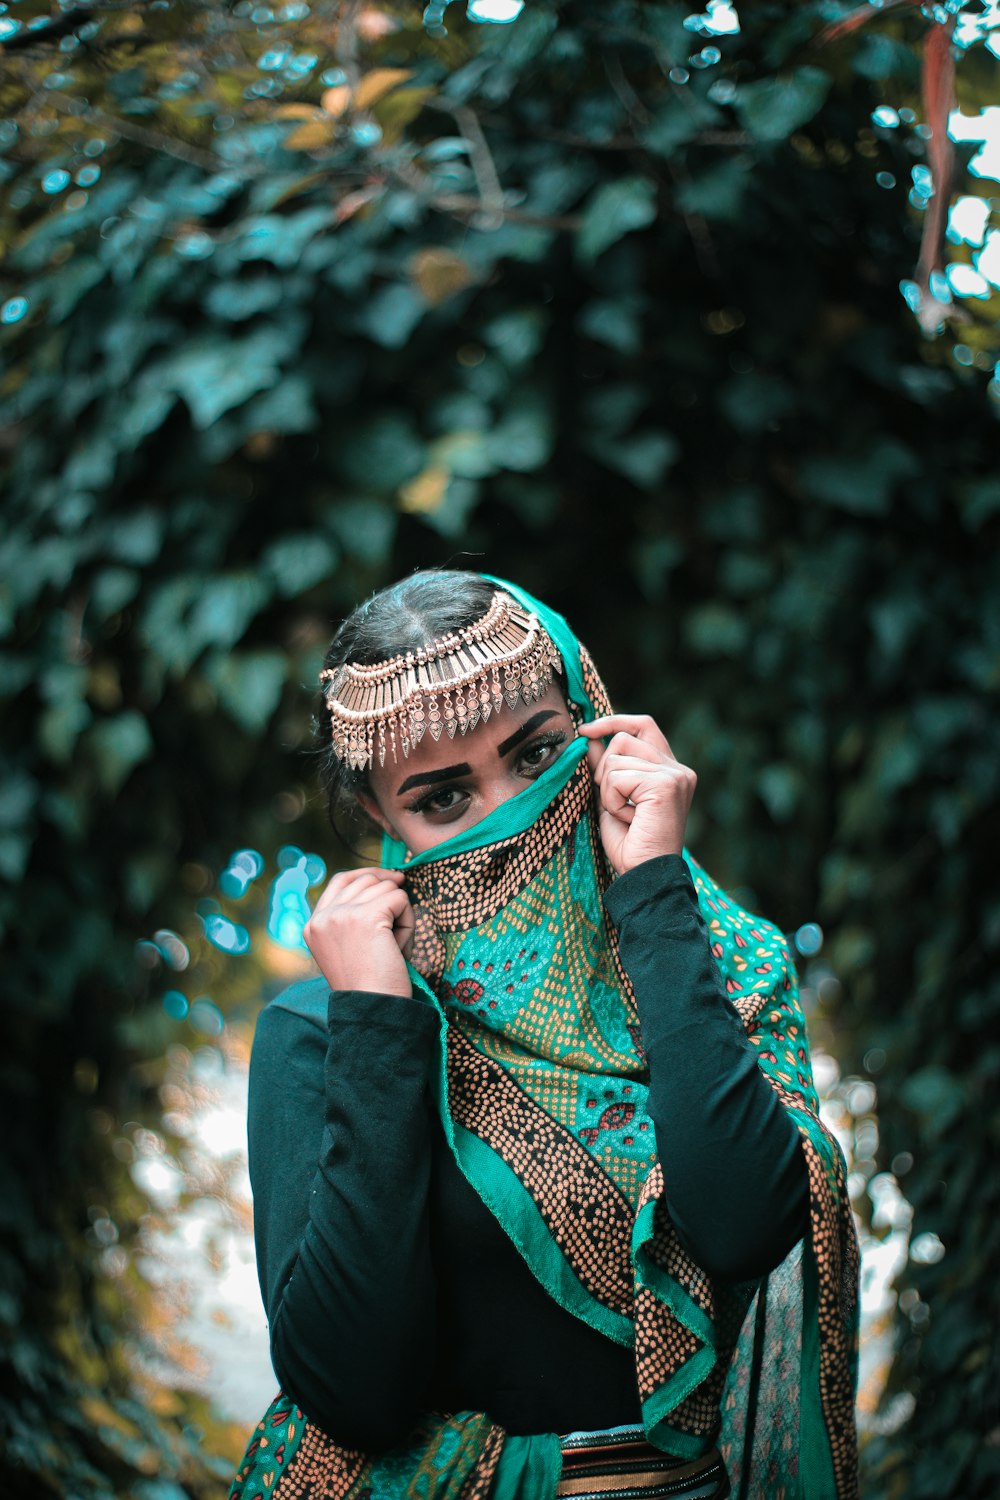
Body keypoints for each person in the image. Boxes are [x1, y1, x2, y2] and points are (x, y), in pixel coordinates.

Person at [230, 571, 859, 1500]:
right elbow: (351, 1392)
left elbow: (742, 1227)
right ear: (380, 818)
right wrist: (378, 1028)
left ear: (595, 724)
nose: (512, 813)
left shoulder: (713, 959)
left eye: (537, 757)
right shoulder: (325, 1031)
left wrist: (653, 891)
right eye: (444, 799)